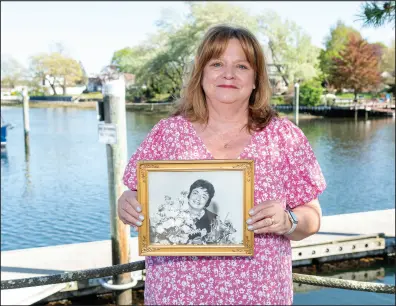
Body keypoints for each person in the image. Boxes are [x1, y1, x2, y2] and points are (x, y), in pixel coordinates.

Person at [118, 24, 326, 305]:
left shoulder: (284, 138)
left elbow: (312, 217)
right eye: (217, 63)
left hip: (259, 295)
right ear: (201, 73)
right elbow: (134, 194)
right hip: (177, 294)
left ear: (256, 79)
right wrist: (128, 202)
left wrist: (288, 220)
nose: (228, 74)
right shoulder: (167, 134)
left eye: (241, 66)